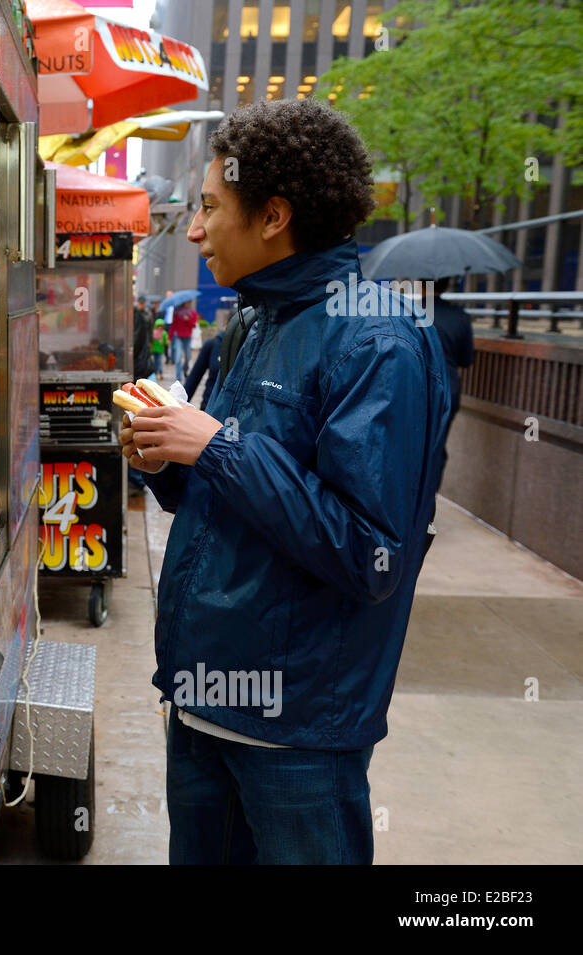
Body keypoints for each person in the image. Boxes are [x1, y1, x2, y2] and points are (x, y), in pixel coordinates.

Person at [119, 98, 449, 864]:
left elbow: (369, 553)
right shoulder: (253, 321)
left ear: (273, 216)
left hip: (298, 732)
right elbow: (236, 494)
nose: (193, 229)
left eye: (207, 208)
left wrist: (219, 449)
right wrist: (169, 463)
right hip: (201, 703)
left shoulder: (378, 340)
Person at [427, 275, 475, 485]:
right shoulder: (460, 316)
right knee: (436, 450)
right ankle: (428, 509)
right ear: (446, 285)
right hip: (448, 391)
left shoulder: (406, 312)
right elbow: (467, 359)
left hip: (414, 389)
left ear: (419, 284)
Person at [183, 308, 228, 409]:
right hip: (208, 409)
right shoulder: (213, 344)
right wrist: (178, 406)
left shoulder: (249, 348)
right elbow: (193, 379)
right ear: (227, 323)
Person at [170, 295, 201, 374]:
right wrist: (169, 336)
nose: (188, 304)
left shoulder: (193, 313)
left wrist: (187, 320)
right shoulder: (177, 313)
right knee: (178, 357)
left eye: (189, 302)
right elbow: (173, 325)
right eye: (187, 302)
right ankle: (178, 376)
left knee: (187, 357)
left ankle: (185, 369)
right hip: (178, 337)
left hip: (187, 337)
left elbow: (194, 325)